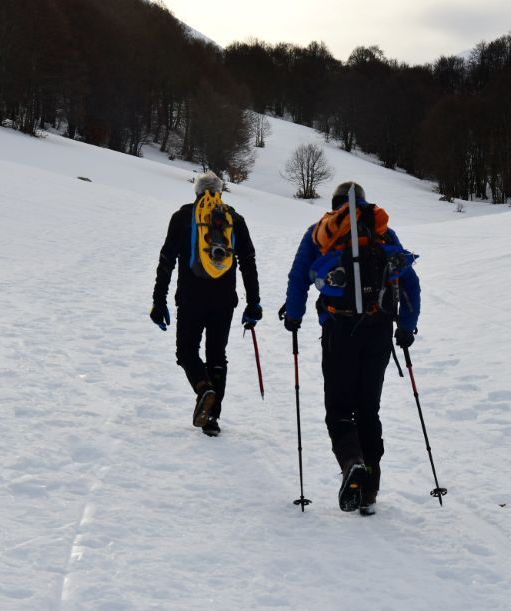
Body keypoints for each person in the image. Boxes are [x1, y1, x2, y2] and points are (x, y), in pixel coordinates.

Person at [281, 181, 420, 514]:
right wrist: (406, 326)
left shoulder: (320, 232)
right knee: (368, 409)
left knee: (340, 410)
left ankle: (352, 463)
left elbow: (299, 276)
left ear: (334, 206)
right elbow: (409, 281)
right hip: (379, 330)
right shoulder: (383, 233)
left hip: (338, 330)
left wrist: (294, 316)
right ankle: (369, 491)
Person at [151, 171, 261, 437]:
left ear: (197, 192)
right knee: (217, 355)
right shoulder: (235, 219)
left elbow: (166, 261)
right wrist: (253, 303)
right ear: (220, 192)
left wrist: (159, 301)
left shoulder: (182, 218)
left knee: (186, 351)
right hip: (224, 300)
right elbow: (248, 262)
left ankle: (203, 389)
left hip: (190, 298)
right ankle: (211, 418)